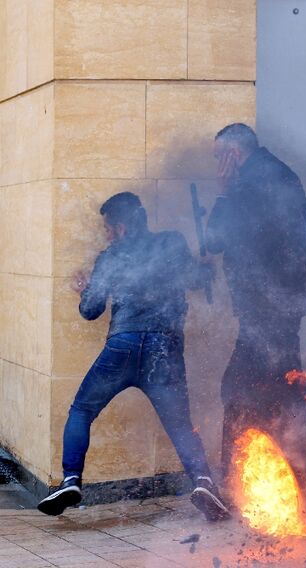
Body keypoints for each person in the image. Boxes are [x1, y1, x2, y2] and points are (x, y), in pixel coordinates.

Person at [37, 193, 230, 519]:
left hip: (122, 347)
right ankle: (203, 482)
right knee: (181, 425)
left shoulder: (111, 256)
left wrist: (86, 289)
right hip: (163, 349)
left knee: (82, 410)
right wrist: (206, 268)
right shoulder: (172, 242)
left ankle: (71, 480)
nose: (107, 235)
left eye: (109, 229)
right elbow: (196, 280)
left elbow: (90, 310)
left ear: (122, 227)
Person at [205, 123, 306, 475]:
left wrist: (224, 192)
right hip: (282, 303)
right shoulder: (277, 173)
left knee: (240, 386)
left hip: (267, 306)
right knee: (285, 381)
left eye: (218, 158)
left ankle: (234, 478)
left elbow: (215, 240)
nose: (217, 167)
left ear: (233, 154)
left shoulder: (247, 183)